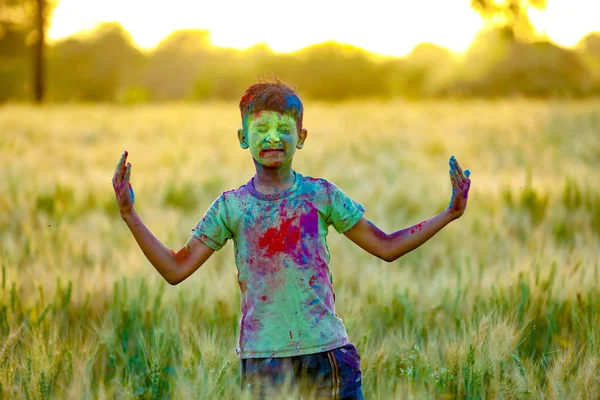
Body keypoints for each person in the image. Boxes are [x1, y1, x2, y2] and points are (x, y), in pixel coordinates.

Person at [111, 76, 472, 399]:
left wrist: (450, 212)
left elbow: (387, 246)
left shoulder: (321, 196)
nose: (272, 137)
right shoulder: (231, 207)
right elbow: (176, 269)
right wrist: (130, 215)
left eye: (284, 128)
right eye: (261, 127)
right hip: (263, 366)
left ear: (301, 138)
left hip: (328, 359)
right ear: (242, 138)